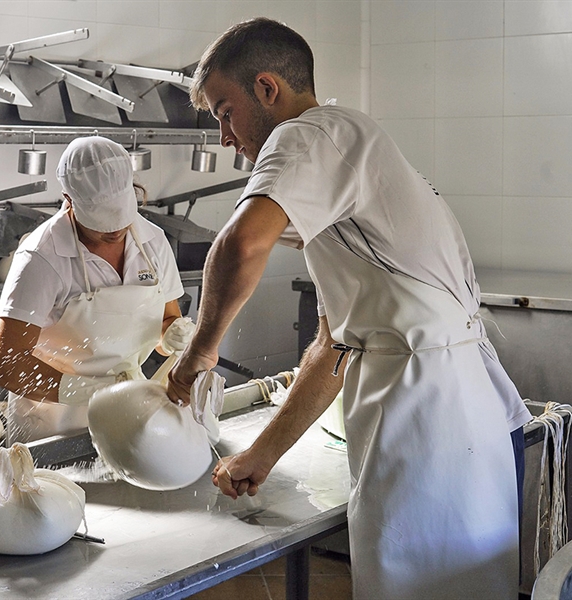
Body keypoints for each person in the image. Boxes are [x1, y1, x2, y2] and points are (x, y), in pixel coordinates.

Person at [168, 17, 529, 600]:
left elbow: (239, 244)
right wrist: (262, 455)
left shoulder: (310, 135)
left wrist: (198, 353)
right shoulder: (349, 156)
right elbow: (332, 347)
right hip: (459, 416)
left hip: (423, 419)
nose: (224, 138)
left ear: (267, 89)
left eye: (224, 112)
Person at [0, 136, 191, 443]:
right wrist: (87, 390)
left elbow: (164, 327)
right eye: (101, 221)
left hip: (127, 412)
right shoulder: (42, 257)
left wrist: (173, 335)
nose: (114, 230)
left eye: (120, 216)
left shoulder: (152, 242)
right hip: (54, 425)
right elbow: (6, 364)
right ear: (69, 201)